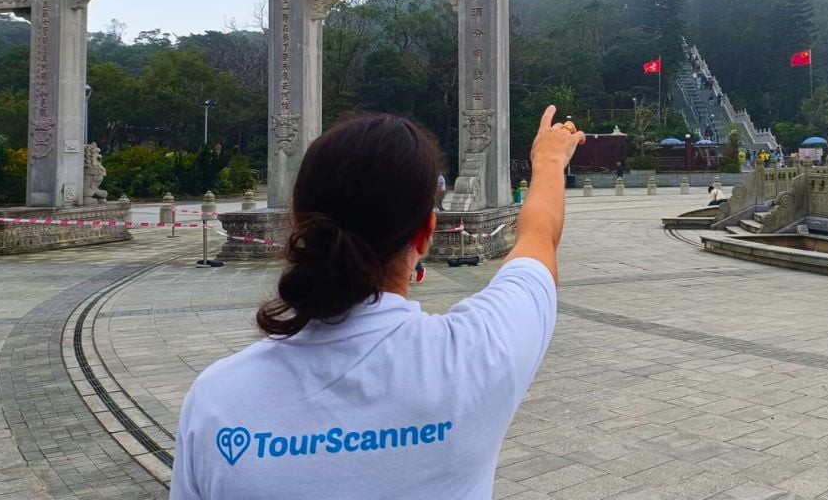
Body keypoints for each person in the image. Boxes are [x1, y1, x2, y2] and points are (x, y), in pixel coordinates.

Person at [169, 107, 585, 500]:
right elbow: (539, 236)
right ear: (425, 233)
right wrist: (549, 160)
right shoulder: (478, 355)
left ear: (298, 221)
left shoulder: (218, 400)